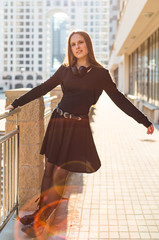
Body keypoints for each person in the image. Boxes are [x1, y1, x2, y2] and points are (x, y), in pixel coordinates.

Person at [6, 31, 154, 237]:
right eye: (73, 44)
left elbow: (119, 100)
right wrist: (17, 102)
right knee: (48, 171)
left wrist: (144, 120)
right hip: (58, 122)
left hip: (77, 129)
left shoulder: (100, 74)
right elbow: (43, 88)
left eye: (80, 42)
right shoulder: (65, 70)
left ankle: (42, 222)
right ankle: (39, 213)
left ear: (88, 45)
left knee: (60, 176)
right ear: (70, 48)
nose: (77, 47)